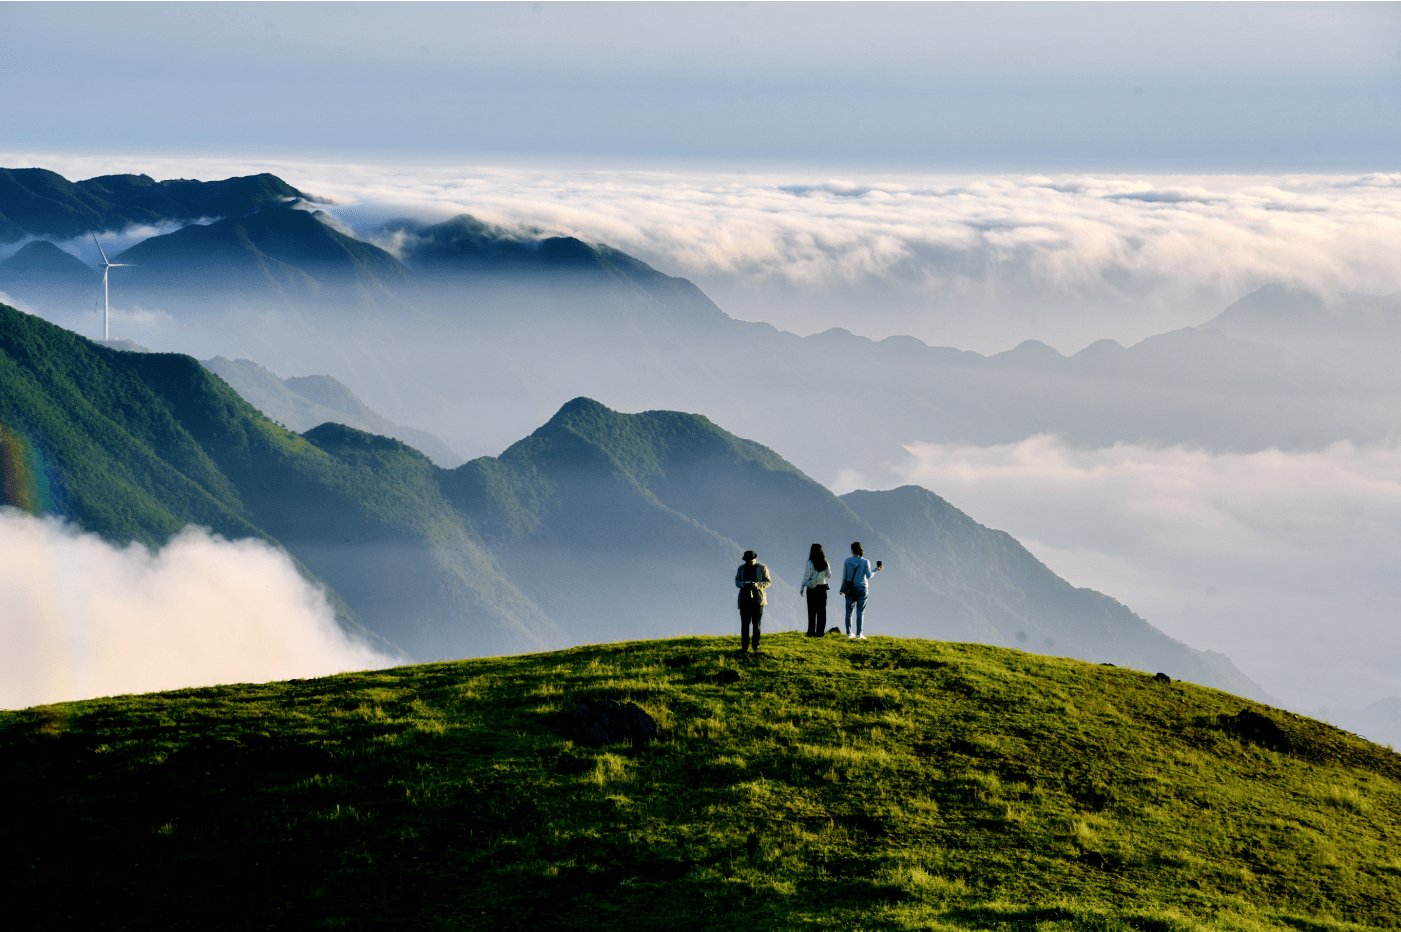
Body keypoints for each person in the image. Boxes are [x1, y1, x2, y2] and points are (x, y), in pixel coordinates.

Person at [841, 541, 882, 640]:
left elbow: (844, 576)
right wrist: (876, 570)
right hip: (862, 588)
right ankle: (859, 634)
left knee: (848, 612)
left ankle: (848, 633)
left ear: (852, 550)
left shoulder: (847, 561)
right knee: (860, 612)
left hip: (850, 589)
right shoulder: (865, 561)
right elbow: (868, 575)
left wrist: (842, 588)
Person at [734, 550, 771, 653]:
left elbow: (768, 581)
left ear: (755, 559)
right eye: (747, 560)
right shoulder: (741, 569)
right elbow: (737, 581)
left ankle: (756, 645)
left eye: (750, 560)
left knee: (756, 624)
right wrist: (743, 584)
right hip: (744, 599)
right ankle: (744, 647)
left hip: (757, 599)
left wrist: (757, 585)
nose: (748, 562)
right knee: (745, 624)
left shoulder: (762, 568)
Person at [799, 543, 831, 637]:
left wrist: (802, 587)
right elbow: (829, 575)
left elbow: (806, 577)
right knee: (822, 611)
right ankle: (820, 632)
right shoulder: (825, 562)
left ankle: (811, 631)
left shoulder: (809, 563)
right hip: (822, 587)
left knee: (811, 610)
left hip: (812, 588)